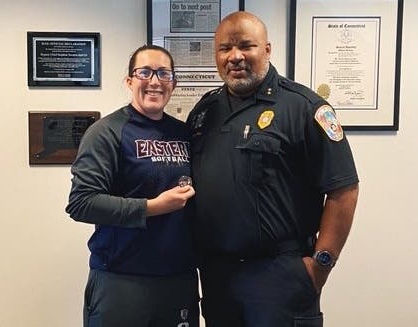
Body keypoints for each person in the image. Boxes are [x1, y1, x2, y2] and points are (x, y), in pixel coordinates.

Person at [187, 11, 359, 327]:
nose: (235, 57)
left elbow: (343, 189)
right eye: (225, 48)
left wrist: (320, 265)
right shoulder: (204, 111)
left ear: (267, 49)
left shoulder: (304, 108)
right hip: (218, 275)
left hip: (280, 275)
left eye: (246, 46)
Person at [66, 44, 199, 327]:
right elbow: (81, 203)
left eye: (164, 73)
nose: (154, 81)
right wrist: (153, 207)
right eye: (145, 72)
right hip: (121, 278)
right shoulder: (107, 132)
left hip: (179, 279)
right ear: (129, 81)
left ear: (173, 83)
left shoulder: (185, 133)